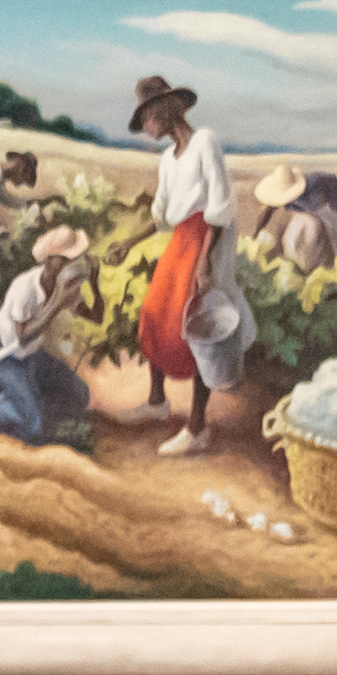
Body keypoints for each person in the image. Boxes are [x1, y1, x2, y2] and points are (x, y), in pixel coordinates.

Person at [119, 69, 242, 457]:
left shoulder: (205, 141)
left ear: (167, 109)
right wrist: (128, 242)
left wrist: (206, 263)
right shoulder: (167, 161)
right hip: (180, 241)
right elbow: (160, 215)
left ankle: (198, 426)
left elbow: (219, 206)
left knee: (195, 325)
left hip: (207, 239)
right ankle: (157, 401)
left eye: (148, 117)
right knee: (155, 313)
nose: (146, 126)